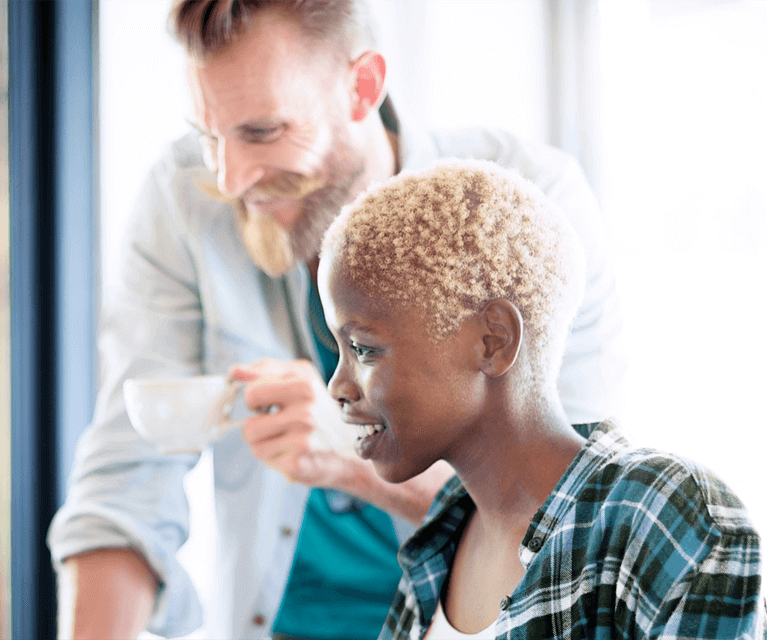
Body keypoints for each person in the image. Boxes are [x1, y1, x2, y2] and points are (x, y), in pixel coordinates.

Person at [47, 1, 626, 639]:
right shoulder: (184, 198)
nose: (231, 177)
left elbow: (574, 531)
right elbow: (125, 485)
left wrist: (351, 454)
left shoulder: (532, 211)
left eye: (263, 132)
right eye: (210, 135)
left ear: (363, 88)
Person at [319, 158, 766, 640]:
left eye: (364, 348)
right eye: (339, 350)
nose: (337, 386)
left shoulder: (657, 511)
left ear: (493, 342)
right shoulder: (446, 528)